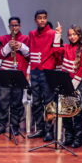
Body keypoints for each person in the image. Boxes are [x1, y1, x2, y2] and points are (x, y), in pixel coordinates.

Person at [27, 10, 62, 140]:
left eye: (44, 18)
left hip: (48, 72)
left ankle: (49, 131)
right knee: (36, 103)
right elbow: (31, 54)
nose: (42, 20)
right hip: (35, 72)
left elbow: (58, 53)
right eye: (39, 18)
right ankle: (40, 129)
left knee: (49, 103)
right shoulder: (32, 34)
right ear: (35, 20)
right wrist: (29, 72)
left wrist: (58, 36)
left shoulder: (53, 33)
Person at [55, 25, 82, 148]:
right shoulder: (65, 47)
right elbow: (55, 52)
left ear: (79, 35)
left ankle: (78, 138)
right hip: (66, 82)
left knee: (76, 113)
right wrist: (58, 34)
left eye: (74, 34)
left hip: (78, 83)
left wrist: (73, 85)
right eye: (69, 35)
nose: (72, 37)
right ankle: (69, 137)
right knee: (66, 111)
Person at [0, 17, 30, 137]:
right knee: (3, 101)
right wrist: (8, 46)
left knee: (17, 102)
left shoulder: (26, 39)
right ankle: (1, 126)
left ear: (20, 26)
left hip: (19, 73)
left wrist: (21, 47)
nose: (14, 28)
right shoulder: (3, 39)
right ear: (9, 27)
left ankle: (15, 126)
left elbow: (30, 55)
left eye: (16, 25)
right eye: (12, 26)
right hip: (5, 72)